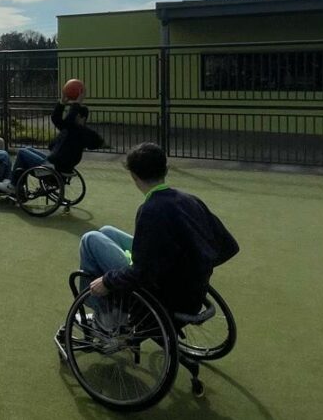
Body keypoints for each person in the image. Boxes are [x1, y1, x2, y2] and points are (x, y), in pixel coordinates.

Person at [56, 143, 239, 347]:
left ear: (134, 177)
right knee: (106, 231)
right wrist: (195, 266)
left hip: (162, 291)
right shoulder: (189, 200)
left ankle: (105, 317)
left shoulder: (151, 210)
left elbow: (142, 273)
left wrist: (108, 281)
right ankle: (109, 311)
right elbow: (229, 246)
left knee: (90, 239)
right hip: (189, 287)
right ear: (166, 170)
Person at [12, 96, 104, 184]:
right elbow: (56, 119)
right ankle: (18, 185)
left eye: (72, 113)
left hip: (53, 167)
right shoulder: (82, 132)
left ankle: (13, 185)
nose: (68, 115)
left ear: (80, 117)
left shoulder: (72, 129)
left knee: (22, 152)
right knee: (28, 149)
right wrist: (62, 103)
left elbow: (59, 120)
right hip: (58, 164)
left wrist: (75, 104)